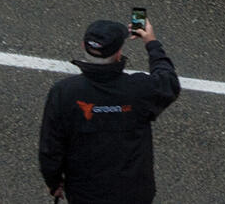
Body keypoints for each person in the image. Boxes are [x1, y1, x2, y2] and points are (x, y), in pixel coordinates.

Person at [38, 18, 180, 203]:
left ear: (83, 46)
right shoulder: (140, 89)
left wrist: (54, 182)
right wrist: (151, 43)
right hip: (134, 194)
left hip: (85, 194)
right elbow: (168, 82)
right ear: (119, 52)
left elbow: (51, 147)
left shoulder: (64, 92)